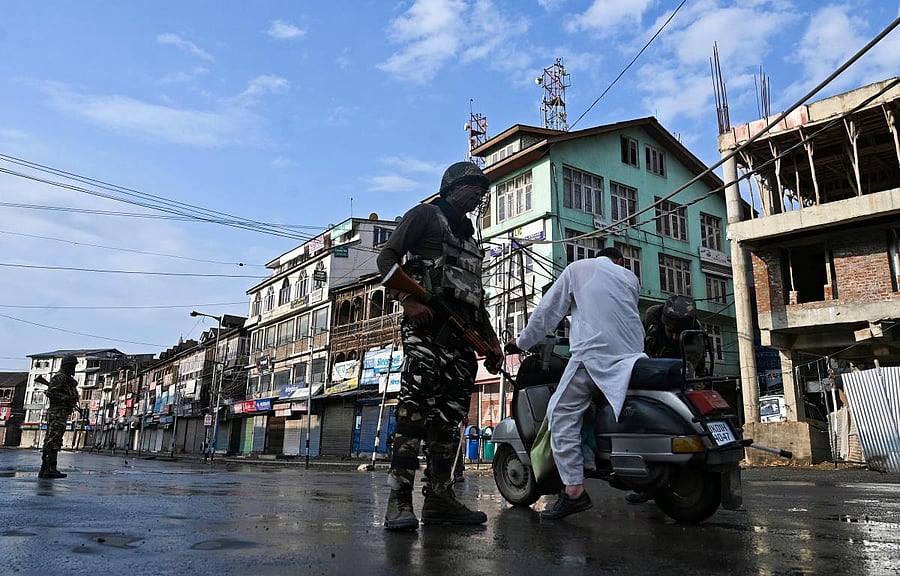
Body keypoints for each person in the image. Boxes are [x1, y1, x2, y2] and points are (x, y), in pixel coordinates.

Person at [377, 161, 504, 531]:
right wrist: (408, 300)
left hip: (462, 339)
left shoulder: (470, 239)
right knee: (414, 413)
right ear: (452, 186)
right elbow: (386, 259)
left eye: (483, 189)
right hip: (427, 330)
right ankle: (398, 501)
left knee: (449, 423)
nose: (480, 194)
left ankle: (439, 498)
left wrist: (491, 343)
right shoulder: (425, 216)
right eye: (474, 186)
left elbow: (474, 300)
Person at [505, 246, 645, 519]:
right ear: (619, 260)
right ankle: (595, 462)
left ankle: (574, 490)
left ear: (599, 257)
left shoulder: (578, 269)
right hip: (633, 356)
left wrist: (521, 342)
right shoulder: (630, 278)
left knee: (560, 414)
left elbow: (547, 312)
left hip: (595, 354)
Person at [626, 293, 705, 504]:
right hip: (650, 374)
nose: (673, 336)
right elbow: (637, 344)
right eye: (670, 330)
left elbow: (691, 370)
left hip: (683, 379)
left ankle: (659, 480)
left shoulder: (695, 338)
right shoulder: (652, 316)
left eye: (678, 332)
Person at [38, 354, 80, 479]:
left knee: (53, 440)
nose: (74, 368)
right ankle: (49, 469)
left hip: (61, 412)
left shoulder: (66, 379)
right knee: (53, 440)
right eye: (72, 366)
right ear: (66, 366)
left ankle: (46, 469)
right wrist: (67, 398)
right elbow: (52, 393)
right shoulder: (59, 378)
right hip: (57, 412)